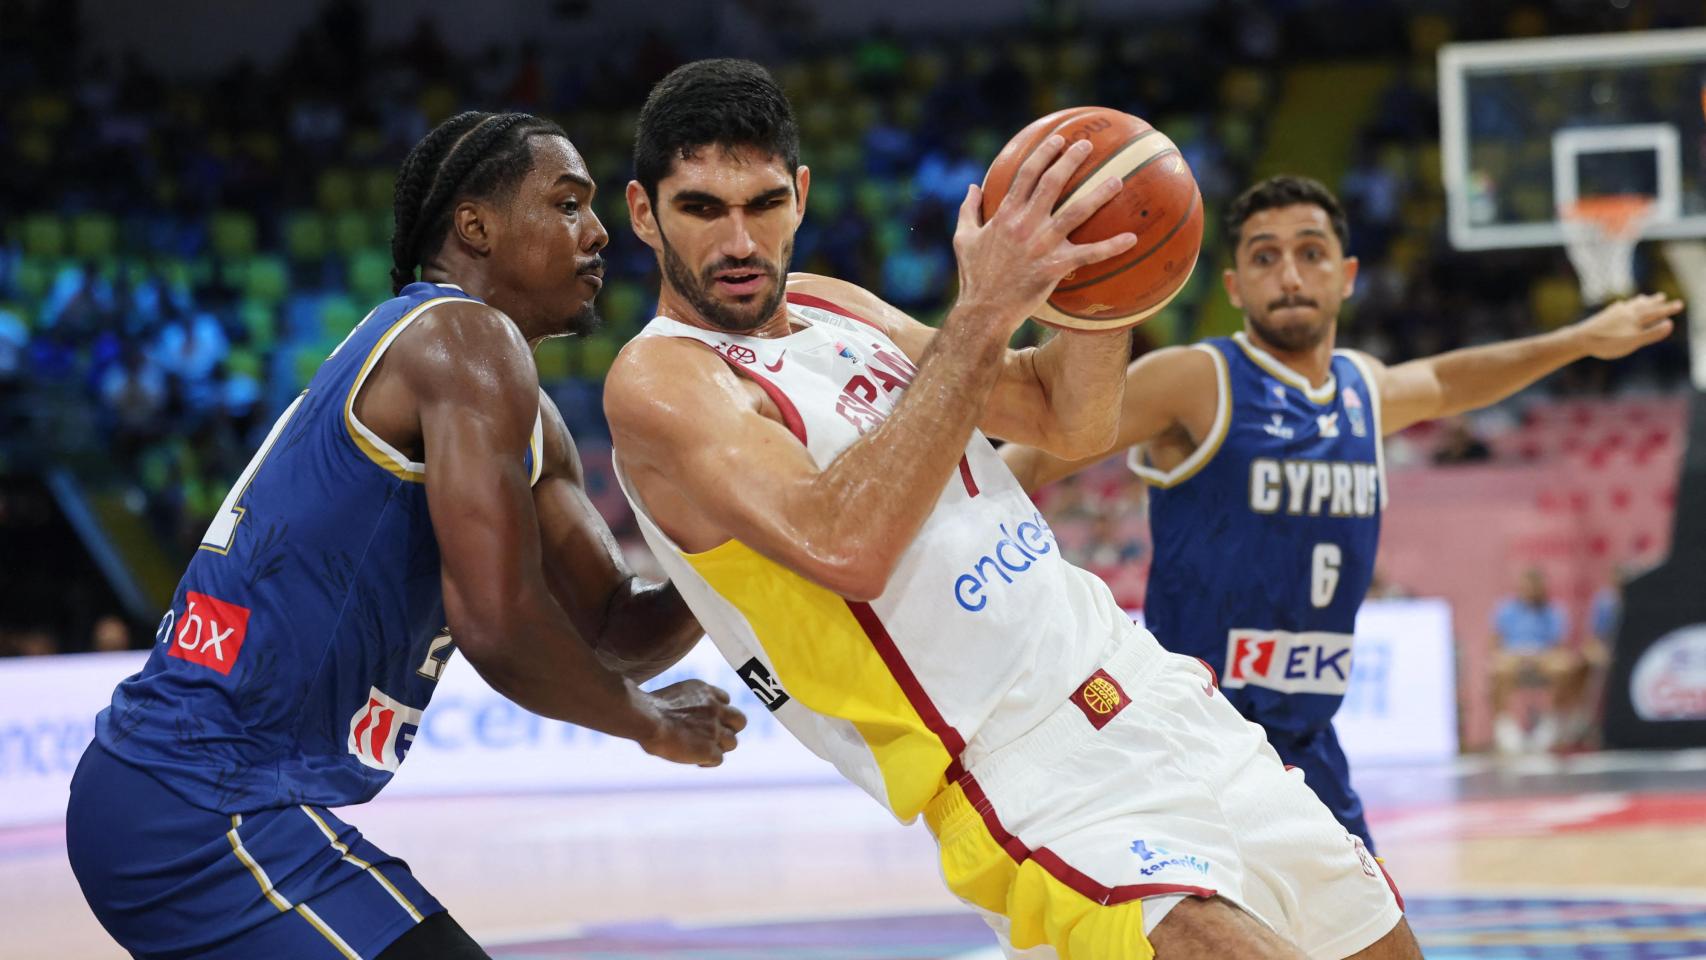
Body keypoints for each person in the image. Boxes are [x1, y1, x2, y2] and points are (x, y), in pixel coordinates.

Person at [604, 59, 1417, 960]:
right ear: (644, 212)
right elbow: (845, 545)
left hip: (1143, 682)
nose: (740, 242)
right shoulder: (662, 379)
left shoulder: (835, 305)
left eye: (762, 204)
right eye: (701, 208)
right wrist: (988, 306)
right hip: (1017, 766)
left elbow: (1066, 416)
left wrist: (1098, 271)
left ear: (800, 194)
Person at [65, 111, 747, 960]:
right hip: (203, 802)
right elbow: (499, 626)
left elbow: (611, 627)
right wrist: (649, 723)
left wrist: (743, 547)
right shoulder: (461, 339)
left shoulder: (515, 402)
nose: (600, 232)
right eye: (568, 204)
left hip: (188, 798)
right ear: (475, 226)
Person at [1000, 175, 1682, 848]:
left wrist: (1579, 341)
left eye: (1311, 252)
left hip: (1309, 742)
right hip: (1194, 740)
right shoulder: (1195, 379)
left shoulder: (1362, 386)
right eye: (1264, 257)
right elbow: (1032, 456)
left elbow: (1448, 380)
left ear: (1347, 274)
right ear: (1235, 287)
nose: (1289, 274)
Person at [1490, 567, 1583, 753]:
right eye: (1526, 587)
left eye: (1535, 586)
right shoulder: (1506, 610)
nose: (1530, 591)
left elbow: (1558, 645)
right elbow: (1496, 643)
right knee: (1499, 668)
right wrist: (1512, 656)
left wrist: (1539, 657)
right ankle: (1505, 727)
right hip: (1514, 656)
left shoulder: (1554, 611)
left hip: (1543, 656)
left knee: (1564, 668)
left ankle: (1551, 724)